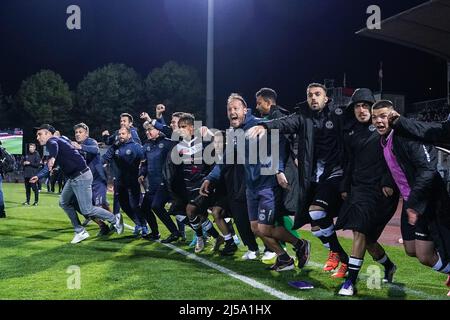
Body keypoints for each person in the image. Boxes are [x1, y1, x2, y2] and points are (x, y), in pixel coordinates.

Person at [248, 83, 349, 277]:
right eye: (310, 94)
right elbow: (284, 122)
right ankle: (343, 258)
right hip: (312, 177)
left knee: (317, 213)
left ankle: (338, 254)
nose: (313, 98)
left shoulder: (338, 115)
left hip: (334, 173)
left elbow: (357, 116)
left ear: (326, 98)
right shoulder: (302, 117)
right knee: (316, 226)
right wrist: (264, 125)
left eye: (317, 94)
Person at [201, 94, 310, 271]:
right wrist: (210, 178)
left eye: (236, 108)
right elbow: (226, 158)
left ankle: (300, 244)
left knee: (265, 228)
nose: (232, 112)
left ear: (245, 110)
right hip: (251, 187)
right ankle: (284, 259)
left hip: (267, 185)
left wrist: (279, 170)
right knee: (256, 228)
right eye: (229, 109)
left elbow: (279, 144)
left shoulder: (259, 125)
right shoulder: (235, 133)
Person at [372, 101, 450, 294]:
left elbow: (428, 170)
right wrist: (388, 183)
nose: (379, 121)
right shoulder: (383, 140)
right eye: (375, 117)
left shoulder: (407, 136)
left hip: (426, 200)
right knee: (410, 250)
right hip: (411, 201)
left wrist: (414, 204)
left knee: (425, 255)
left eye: (383, 116)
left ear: (394, 116)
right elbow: (395, 167)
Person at [335, 89, 399, 296]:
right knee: (366, 237)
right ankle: (388, 265)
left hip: (381, 190)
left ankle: (350, 282)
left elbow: (394, 153)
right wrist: (345, 186)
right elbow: (349, 162)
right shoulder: (350, 131)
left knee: (362, 233)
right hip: (358, 188)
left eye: (365, 105)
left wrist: (388, 180)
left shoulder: (384, 127)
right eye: (357, 106)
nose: (361, 110)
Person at [30, 124, 124, 243]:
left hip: (81, 176)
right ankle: (80, 231)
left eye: (40, 134)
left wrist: (53, 157)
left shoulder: (52, 141)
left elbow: (53, 148)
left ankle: (114, 219)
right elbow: (50, 164)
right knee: (64, 202)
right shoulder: (59, 141)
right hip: (74, 177)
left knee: (87, 209)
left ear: (48, 133)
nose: (37, 137)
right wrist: (38, 176)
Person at [139, 121, 181, 241]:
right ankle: (155, 233)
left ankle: (177, 232)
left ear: (158, 130)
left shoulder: (167, 143)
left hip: (166, 183)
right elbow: (145, 163)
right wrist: (142, 173)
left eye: (150, 129)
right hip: (152, 183)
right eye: (146, 131)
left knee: (160, 207)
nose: (148, 132)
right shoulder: (146, 145)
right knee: (145, 208)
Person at [102, 126, 147, 237]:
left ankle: (144, 225)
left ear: (129, 135)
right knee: (124, 205)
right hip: (120, 181)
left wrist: (142, 173)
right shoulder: (115, 146)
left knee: (135, 205)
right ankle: (138, 223)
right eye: (119, 134)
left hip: (133, 180)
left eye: (123, 134)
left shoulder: (136, 147)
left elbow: (145, 161)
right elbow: (105, 158)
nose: (120, 136)